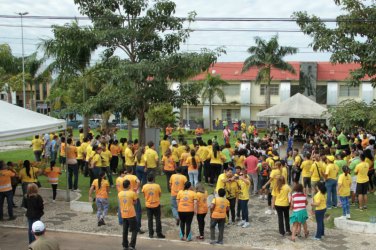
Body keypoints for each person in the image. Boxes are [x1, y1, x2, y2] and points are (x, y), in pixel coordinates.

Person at [141, 174, 165, 239]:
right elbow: (160, 194)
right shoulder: (157, 186)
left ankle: (150, 234)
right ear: (153, 179)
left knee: (150, 220)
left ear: (147, 179)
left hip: (148, 205)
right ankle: (159, 233)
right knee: (158, 219)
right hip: (156, 204)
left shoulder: (144, 186)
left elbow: (144, 194)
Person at [119, 180, 138, 250]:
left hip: (124, 214)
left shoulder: (120, 193)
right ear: (129, 185)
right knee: (134, 230)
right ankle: (132, 245)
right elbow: (135, 202)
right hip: (131, 214)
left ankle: (125, 245)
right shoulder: (132, 193)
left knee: (125, 230)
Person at [123, 167, 144, 234]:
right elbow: (138, 181)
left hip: (126, 196)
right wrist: (136, 188)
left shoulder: (125, 177)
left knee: (129, 211)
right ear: (132, 171)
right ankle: (137, 227)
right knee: (138, 212)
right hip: (133, 195)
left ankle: (130, 227)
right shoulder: (134, 176)